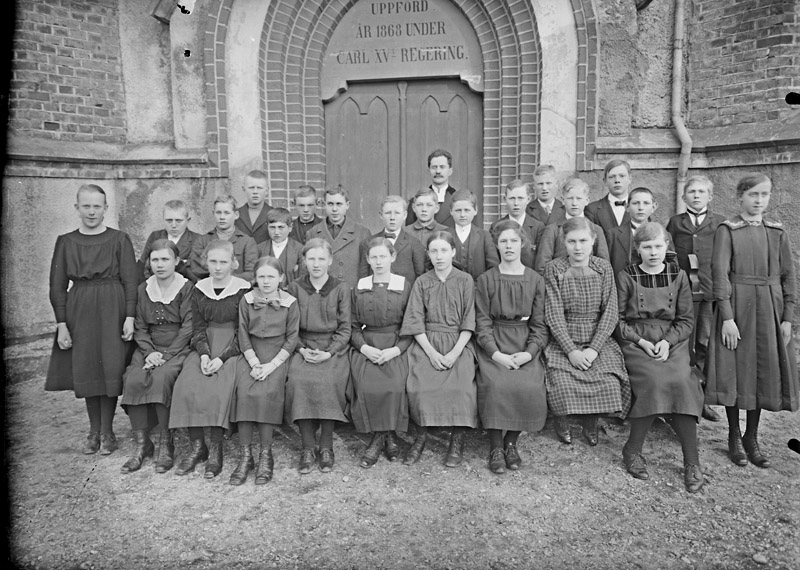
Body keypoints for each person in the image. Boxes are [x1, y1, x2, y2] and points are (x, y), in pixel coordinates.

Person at [705, 173, 798, 469]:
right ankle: (734, 434)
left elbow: (789, 277)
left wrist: (787, 318)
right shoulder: (728, 230)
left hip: (770, 308)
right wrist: (727, 318)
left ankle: (751, 437)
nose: (759, 201)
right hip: (738, 308)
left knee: (761, 372)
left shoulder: (777, 232)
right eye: (753, 195)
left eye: (764, 195)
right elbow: (720, 274)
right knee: (736, 371)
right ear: (740, 197)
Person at [47, 184, 138, 455]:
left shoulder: (119, 239)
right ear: (77, 208)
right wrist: (62, 324)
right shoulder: (66, 241)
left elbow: (131, 281)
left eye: (97, 206)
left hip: (113, 309)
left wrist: (130, 316)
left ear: (105, 208)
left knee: (110, 366)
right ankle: (93, 430)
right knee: (88, 367)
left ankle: (108, 431)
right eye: (86, 206)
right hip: (80, 310)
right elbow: (57, 286)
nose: (91, 211)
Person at [616, 222, 705, 493]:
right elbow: (617, 320)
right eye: (647, 247)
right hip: (637, 340)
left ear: (667, 246)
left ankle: (692, 461)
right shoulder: (626, 276)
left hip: (672, 340)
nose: (653, 252)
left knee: (682, 381)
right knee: (654, 379)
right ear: (638, 249)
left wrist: (667, 342)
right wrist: (642, 342)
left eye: (658, 246)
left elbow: (686, 320)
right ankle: (632, 449)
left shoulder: (678, 275)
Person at [543, 217, 631, 446]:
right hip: (565, 336)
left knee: (607, 379)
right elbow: (553, 313)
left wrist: (593, 349)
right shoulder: (554, 269)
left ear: (593, 241)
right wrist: (571, 351)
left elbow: (610, 312)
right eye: (572, 241)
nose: (578, 247)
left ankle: (591, 420)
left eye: (583, 241)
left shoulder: (603, 268)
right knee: (561, 380)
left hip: (596, 336)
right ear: (564, 242)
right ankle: (562, 419)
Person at [169, 240, 251, 478]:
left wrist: (222, 358)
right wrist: (204, 354)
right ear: (206, 262)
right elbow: (198, 328)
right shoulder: (200, 289)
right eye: (213, 261)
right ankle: (198, 446)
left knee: (218, 387)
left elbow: (244, 331)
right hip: (205, 344)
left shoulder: (243, 290)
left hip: (233, 348)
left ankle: (216, 448)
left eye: (223, 262)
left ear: (233, 263)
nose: (218, 267)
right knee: (187, 383)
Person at [475, 220, 548, 474]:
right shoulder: (486, 279)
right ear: (496, 245)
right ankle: (496, 444)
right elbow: (482, 322)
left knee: (529, 384)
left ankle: (511, 441)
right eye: (503, 241)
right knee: (495, 383)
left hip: (524, 341)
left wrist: (529, 353)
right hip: (494, 341)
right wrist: (495, 354)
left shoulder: (535, 280)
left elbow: (539, 324)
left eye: (513, 241)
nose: (508, 246)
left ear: (522, 244)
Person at [400, 231, 477, 467]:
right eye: (434, 251)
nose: (439, 256)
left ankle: (457, 439)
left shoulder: (465, 280)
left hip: (458, 342)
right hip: (427, 342)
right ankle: (421, 436)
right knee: (421, 386)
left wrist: (454, 353)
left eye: (444, 250)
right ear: (428, 254)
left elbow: (469, 320)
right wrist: (432, 353)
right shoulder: (422, 282)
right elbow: (415, 320)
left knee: (462, 387)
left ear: (453, 252)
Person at [120, 240, 193, 474]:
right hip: (149, 347)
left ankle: (165, 444)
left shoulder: (186, 288)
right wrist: (150, 352)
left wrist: (167, 354)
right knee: (133, 378)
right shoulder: (144, 288)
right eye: (155, 260)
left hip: (177, 347)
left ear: (176, 261)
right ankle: (143, 444)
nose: (160, 265)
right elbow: (140, 327)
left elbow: (189, 327)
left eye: (165, 259)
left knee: (162, 378)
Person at [229, 257, 299, 485]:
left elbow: (292, 339)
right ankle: (246, 455)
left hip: (277, 355)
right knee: (244, 390)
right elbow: (242, 333)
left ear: (281, 278)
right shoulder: (247, 300)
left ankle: (265, 454)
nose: (266, 281)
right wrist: (253, 362)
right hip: (252, 353)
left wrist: (271, 366)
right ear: (255, 278)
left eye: (271, 276)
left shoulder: (290, 302)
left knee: (267, 392)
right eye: (261, 277)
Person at [285, 239, 351, 474]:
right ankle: (307, 445)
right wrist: (301, 349)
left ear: (330, 261)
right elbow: (290, 327)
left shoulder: (340, 288)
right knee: (297, 379)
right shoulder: (294, 287)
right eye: (311, 258)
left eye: (321, 259)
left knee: (329, 380)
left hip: (332, 348)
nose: (316, 264)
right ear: (304, 261)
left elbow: (345, 329)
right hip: (302, 346)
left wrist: (329, 352)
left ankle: (325, 444)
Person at [666, 174, 726, 422]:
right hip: (682, 293)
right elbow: (669, 256)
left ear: (710, 196)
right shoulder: (675, 222)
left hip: (708, 293)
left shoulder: (719, 223)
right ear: (684, 196)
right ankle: (680, 397)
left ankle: (702, 399)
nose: (697, 195)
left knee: (704, 342)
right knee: (682, 343)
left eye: (702, 192)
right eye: (692, 192)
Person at [350, 237, 413, 468]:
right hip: (368, 344)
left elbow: (411, 326)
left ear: (392, 257)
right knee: (366, 384)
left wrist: (395, 350)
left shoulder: (404, 286)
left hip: (396, 344)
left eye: (383, 256)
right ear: (367, 259)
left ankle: (380, 438)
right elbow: (352, 326)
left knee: (395, 383)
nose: (378, 262)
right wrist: (365, 348)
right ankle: (387, 436)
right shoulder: (360, 286)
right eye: (374, 257)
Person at [534, 178, 609, 274]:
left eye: (579, 198)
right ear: (563, 200)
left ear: (587, 200)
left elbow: (604, 265)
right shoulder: (552, 230)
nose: (574, 203)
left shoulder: (596, 230)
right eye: (570, 198)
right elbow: (542, 266)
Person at [305, 186, 372, 290]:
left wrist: (360, 292)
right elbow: (308, 268)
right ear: (324, 205)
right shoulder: (313, 233)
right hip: (323, 292)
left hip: (351, 293)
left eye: (339, 204)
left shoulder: (362, 233)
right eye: (330, 204)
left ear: (347, 205)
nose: (334, 209)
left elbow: (365, 269)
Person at [190, 194, 259, 283]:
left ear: (236, 215)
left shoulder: (247, 242)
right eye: (218, 212)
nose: (222, 217)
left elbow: (251, 273)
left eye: (226, 213)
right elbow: (195, 269)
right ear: (213, 213)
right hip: (209, 288)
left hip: (237, 289)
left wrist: (227, 279)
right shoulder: (202, 241)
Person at [359, 195, 425, 285]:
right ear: (381, 215)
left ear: (405, 215)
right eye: (388, 213)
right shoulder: (368, 242)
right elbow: (364, 277)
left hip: (405, 292)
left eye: (397, 213)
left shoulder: (414, 243)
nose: (392, 217)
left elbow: (420, 276)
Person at [137, 200, 200, 283]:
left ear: (188, 220)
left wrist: (179, 265)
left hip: (185, 287)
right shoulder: (155, 236)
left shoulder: (197, 240)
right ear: (163, 219)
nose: (173, 225)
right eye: (169, 221)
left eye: (178, 221)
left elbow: (196, 274)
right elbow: (143, 265)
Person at [491, 179, 545, 269]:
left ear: (528, 199)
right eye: (512, 198)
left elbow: (541, 260)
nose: (516, 203)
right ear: (505, 199)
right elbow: (494, 260)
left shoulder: (538, 227)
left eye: (520, 198)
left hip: (530, 275)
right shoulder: (496, 227)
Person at [606, 187, 657, 280]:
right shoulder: (613, 235)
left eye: (646, 203)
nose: (641, 208)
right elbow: (606, 266)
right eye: (635, 203)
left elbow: (672, 265)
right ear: (627, 207)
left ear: (653, 207)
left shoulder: (663, 234)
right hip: (622, 284)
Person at [448, 189, 499, 281]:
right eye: (458, 210)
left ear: (475, 210)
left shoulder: (484, 236)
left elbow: (493, 267)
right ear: (451, 211)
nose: (462, 215)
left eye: (467, 210)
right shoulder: (444, 235)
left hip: (478, 286)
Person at [406, 149, 457, 226]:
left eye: (442, 167)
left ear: (450, 171)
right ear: (429, 171)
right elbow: (410, 231)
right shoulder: (416, 201)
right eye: (434, 167)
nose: (438, 171)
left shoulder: (459, 200)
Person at [584, 159, 633, 236]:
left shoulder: (640, 207)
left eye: (622, 176)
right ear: (605, 181)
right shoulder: (592, 210)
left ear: (630, 179)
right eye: (612, 177)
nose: (617, 180)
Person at [404, 187, 448, 270]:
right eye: (419, 205)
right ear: (413, 207)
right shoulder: (405, 232)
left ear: (436, 208)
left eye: (429, 205)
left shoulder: (445, 232)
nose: (424, 209)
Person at [257, 207, 304, 283]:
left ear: (290, 227)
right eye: (272, 227)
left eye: (281, 227)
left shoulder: (299, 249)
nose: (276, 232)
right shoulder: (260, 249)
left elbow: (303, 277)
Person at [235, 170, 273, 245]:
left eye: (259, 188)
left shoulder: (274, 214)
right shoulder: (235, 215)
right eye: (251, 187)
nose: (255, 192)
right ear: (244, 189)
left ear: (267, 190)